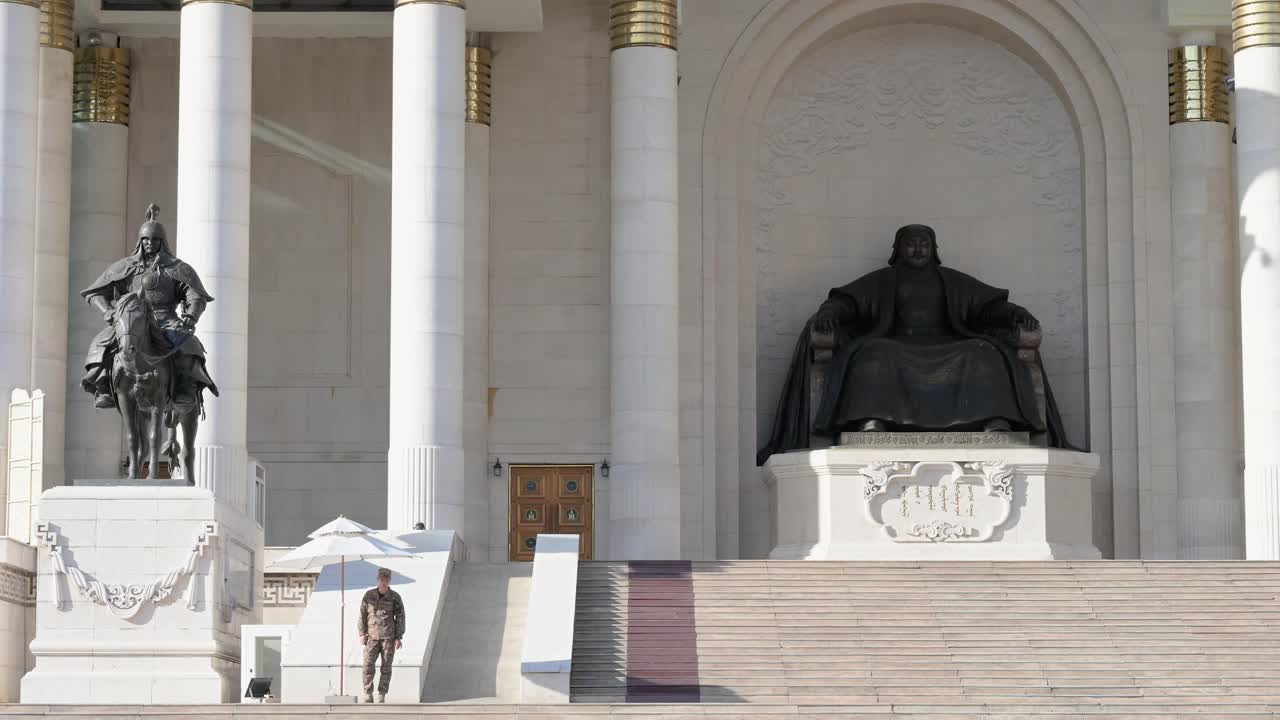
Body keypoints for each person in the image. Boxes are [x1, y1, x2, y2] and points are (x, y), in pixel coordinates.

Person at [758, 223, 1072, 463]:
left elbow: (987, 307)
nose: (918, 249)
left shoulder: (951, 280)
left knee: (984, 353)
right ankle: (872, 421)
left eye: (924, 244)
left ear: (934, 249)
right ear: (898, 249)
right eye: (911, 244)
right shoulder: (882, 280)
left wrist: (1016, 313)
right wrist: (828, 313)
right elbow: (847, 302)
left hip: (949, 343)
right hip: (895, 344)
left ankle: (995, 422)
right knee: (874, 355)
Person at [80, 204, 218, 409]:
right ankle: (103, 386)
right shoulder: (125, 267)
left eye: (154, 239)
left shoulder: (176, 268)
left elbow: (194, 294)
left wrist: (191, 315)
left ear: (162, 241)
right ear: (140, 241)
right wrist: (108, 312)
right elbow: (95, 293)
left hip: (166, 319)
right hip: (131, 319)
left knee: (190, 346)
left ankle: (185, 385)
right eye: (145, 239)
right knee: (99, 343)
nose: (150, 243)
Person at [357, 567, 405, 703]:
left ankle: (381, 694)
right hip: (371, 637)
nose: (384, 582)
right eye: (382, 579)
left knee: (386, 667)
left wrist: (398, 637)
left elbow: (400, 617)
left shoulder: (395, 597)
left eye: (386, 579)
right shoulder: (369, 595)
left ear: (390, 580)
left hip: (388, 637)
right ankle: (368, 692)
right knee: (367, 665)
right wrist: (362, 633)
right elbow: (362, 615)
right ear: (377, 579)